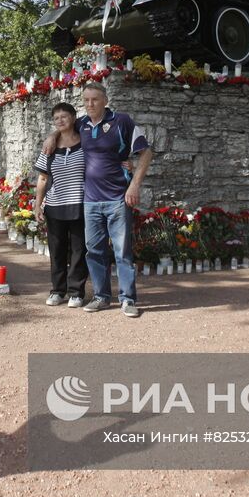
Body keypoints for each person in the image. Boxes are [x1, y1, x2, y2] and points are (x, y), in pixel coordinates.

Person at [77, 80, 153, 318]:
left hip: (118, 199)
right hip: (90, 200)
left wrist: (134, 185)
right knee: (94, 251)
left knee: (122, 251)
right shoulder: (80, 125)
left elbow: (146, 152)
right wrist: (50, 138)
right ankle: (101, 297)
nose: (90, 104)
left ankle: (128, 299)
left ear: (105, 101)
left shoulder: (122, 121)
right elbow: (61, 137)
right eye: (86, 100)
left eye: (95, 99)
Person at [34, 101, 89, 307]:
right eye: (56, 118)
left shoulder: (86, 144)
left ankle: (76, 292)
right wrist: (37, 205)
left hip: (80, 204)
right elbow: (42, 179)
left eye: (64, 116)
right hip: (55, 206)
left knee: (78, 251)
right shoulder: (49, 147)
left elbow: (102, 161)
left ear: (73, 118)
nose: (60, 121)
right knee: (57, 251)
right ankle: (57, 290)